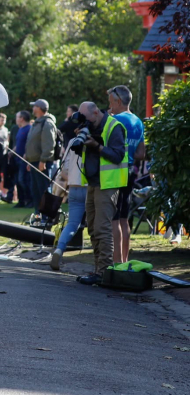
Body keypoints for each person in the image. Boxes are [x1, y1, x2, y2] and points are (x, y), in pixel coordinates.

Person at [75, 101, 127, 285]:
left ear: (96, 112)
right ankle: (98, 269)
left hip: (108, 184)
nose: (86, 122)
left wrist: (96, 146)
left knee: (103, 229)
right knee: (92, 228)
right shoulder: (91, 127)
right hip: (93, 183)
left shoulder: (114, 127)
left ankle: (104, 272)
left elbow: (117, 155)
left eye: (87, 118)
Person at [107, 85, 144, 264]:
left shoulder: (115, 120)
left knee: (114, 219)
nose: (109, 106)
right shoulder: (138, 121)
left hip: (114, 171)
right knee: (124, 217)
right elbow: (141, 154)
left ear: (118, 101)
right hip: (130, 171)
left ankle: (116, 263)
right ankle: (125, 260)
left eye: (110, 102)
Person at [49, 131, 87, 271]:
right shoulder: (98, 140)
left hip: (74, 187)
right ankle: (100, 260)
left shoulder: (72, 141)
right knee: (97, 226)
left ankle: (59, 250)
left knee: (72, 224)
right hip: (91, 188)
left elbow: (63, 169)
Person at [24, 99, 57, 213]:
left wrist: (43, 160)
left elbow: (48, 144)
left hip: (42, 163)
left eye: (34, 106)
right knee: (36, 191)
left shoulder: (47, 123)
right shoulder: (37, 122)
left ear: (39, 108)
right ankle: (38, 215)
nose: (33, 108)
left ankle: (47, 215)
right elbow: (32, 142)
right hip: (34, 162)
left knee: (44, 190)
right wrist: (28, 159)